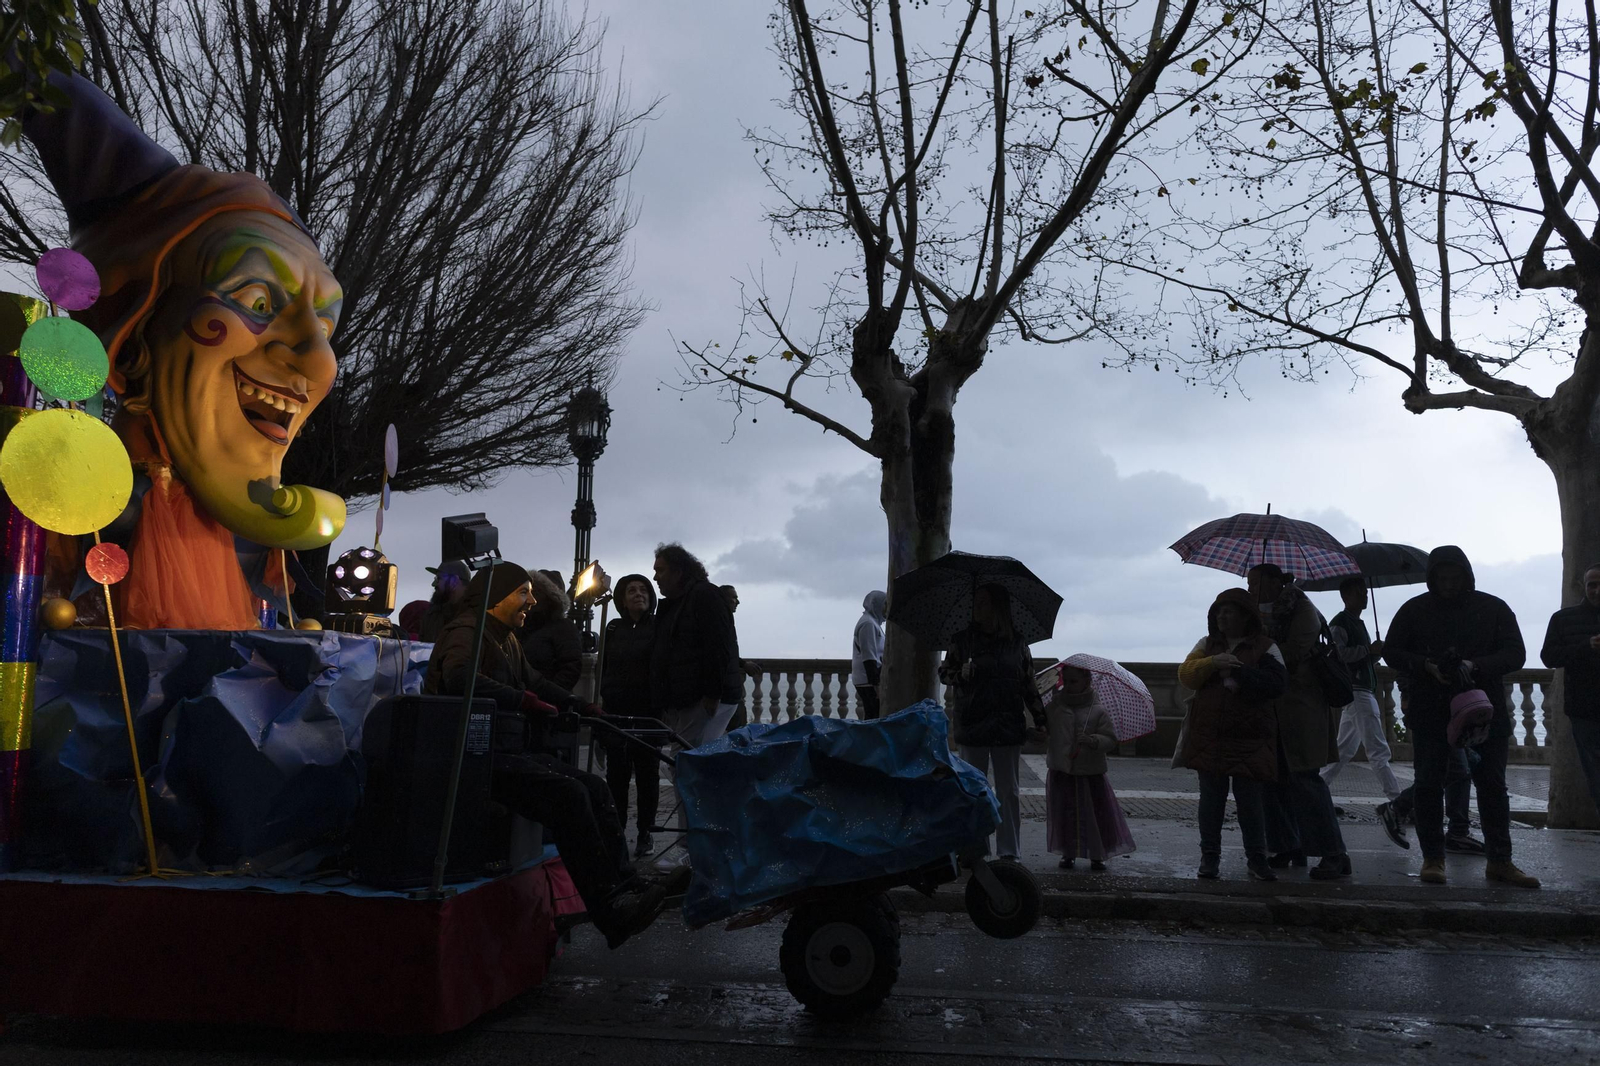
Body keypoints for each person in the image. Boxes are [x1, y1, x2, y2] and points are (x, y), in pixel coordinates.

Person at [423, 561, 687, 947]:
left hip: (503, 748)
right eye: (523, 593)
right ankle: (610, 908)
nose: (531, 602)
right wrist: (523, 700)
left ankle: (628, 885)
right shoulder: (468, 631)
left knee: (595, 787)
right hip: (472, 754)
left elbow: (537, 682)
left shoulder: (505, 638)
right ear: (496, 596)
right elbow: (460, 677)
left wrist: (580, 705)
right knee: (569, 795)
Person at [1383, 546, 1539, 888]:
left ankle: (1500, 861)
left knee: (1493, 787)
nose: (1449, 584)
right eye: (1442, 578)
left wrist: (1475, 666)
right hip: (1431, 711)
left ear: (1467, 576)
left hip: (1484, 712)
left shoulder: (1494, 608)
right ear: (1433, 578)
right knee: (1428, 785)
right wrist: (1425, 666)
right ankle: (1433, 859)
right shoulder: (1414, 610)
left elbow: (1515, 653)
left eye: (1455, 578)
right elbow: (1391, 651)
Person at [1248, 563, 1351, 880]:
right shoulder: (1262, 613)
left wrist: (1260, 642)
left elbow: (1291, 654)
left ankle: (1334, 853)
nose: (1251, 590)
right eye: (1249, 584)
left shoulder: (1302, 609)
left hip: (1302, 707)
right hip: (1274, 707)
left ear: (1274, 582)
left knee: (1305, 779)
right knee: (1272, 778)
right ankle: (1287, 845)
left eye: (1255, 583)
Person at [1177, 588, 1284, 882]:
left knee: (1251, 804)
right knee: (1211, 802)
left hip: (1251, 738)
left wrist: (1238, 671)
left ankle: (1257, 859)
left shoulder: (1266, 648)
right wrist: (1213, 663)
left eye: (1228, 611)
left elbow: (1277, 684)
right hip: (1210, 735)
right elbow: (1186, 674)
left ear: (1245, 616)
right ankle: (1209, 857)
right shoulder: (1206, 645)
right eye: (1218, 611)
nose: (1221, 616)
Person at [939, 583, 1045, 861]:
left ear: (998, 607)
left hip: (1007, 723)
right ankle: (976, 850)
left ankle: (1009, 851)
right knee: (973, 789)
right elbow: (944, 673)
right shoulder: (962, 640)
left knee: (1008, 790)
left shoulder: (1017, 643)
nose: (977, 608)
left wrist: (1041, 719)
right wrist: (960, 674)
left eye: (984, 603)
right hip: (973, 722)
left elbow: (1028, 684)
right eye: (976, 602)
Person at [651, 544, 742, 754]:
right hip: (691, 698)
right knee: (689, 757)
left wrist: (712, 694)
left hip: (702, 699)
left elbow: (717, 646)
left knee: (685, 758)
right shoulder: (681, 602)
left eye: (660, 570)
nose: (655, 577)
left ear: (678, 571)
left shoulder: (704, 595)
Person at [1044, 664, 1135, 871]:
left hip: (1089, 772)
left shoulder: (1098, 710)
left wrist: (1094, 740)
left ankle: (1097, 853)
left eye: (1074, 681)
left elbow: (1110, 739)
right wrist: (1038, 734)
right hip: (1063, 771)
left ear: (1087, 681)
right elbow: (1046, 732)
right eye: (1066, 681)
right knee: (1065, 814)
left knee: (1095, 815)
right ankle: (1068, 852)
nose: (1068, 686)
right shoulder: (1055, 707)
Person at [1320, 577, 1403, 805]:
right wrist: (1368, 649)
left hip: (1360, 690)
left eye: (1365, 593)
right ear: (1345, 596)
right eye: (1360, 593)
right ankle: (1396, 799)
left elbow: (1361, 658)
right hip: (1358, 691)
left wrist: (1374, 653)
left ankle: (1317, 791)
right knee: (1378, 750)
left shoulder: (1358, 623)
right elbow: (1339, 655)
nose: (1365, 597)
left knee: (1344, 750)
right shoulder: (1340, 623)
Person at [601, 574, 662, 858]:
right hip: (616, 711)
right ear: (622, 600)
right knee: (617, 775)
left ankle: (645, 832)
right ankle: (617, 830)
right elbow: (604, 667)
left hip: (649, 712)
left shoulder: (659, 626)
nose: (638, 594)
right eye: (631, 590)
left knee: (648, 775)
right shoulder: (613, 628)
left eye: (643, 589)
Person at [1539, 563, 1600, 815]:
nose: (1597, 590)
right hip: (1584, 709)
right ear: (1583, 587)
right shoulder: (1563, 619)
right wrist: (1586, 646)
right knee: (1595, 772)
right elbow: (1549, 657)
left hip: (1582, 707)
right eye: (1592, 585)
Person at [520, 569, 583, 691]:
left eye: (537, 592)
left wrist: (548, 694)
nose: (532, 597)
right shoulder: (520, 624)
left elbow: (570, 668)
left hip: (547, 699)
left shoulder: (563, 627)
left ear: (550, 598)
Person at [852, 591, 888, 720]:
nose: (887, 608)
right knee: (873, 716)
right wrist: (876, 685)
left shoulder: (873, 623)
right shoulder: (868, 624)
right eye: (885, 604)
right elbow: (869, 656)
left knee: (873, 716)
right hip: (867, 681)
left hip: (866, 680)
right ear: (876, 604)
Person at [419, 560, 470, 643]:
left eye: (438, 578)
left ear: (454, 581)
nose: (434, 584)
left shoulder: (476, 614)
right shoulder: (432, 616)